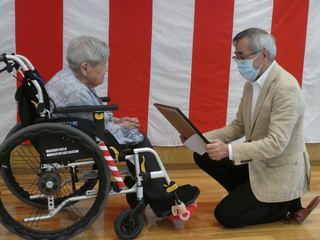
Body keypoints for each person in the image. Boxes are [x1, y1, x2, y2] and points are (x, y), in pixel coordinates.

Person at [45, 35, 199, 218]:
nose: (106, 70)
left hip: (71, 130)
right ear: (85, 67)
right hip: (78, 138)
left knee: (130, 132)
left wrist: (117, 121)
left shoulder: (69, 77)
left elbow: (89, 115)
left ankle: (150, 189)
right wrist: (124, 126)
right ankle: (161, 199)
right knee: (138, 138)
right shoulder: (76, 92)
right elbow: (93, 126)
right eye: (103, 65)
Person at [181, 28, 319, 228]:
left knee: (226, 216)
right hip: (259, 164)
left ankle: (283, 203)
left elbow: (276, 144)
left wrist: (227, 150)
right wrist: (197, 137)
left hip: (279, 170)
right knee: (202, 152)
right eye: (236, 56)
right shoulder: (251, 84)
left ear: (263, 55)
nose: (238, 62)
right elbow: (239, 126)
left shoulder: (286, 88)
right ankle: (256, 198)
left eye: (241, 56)